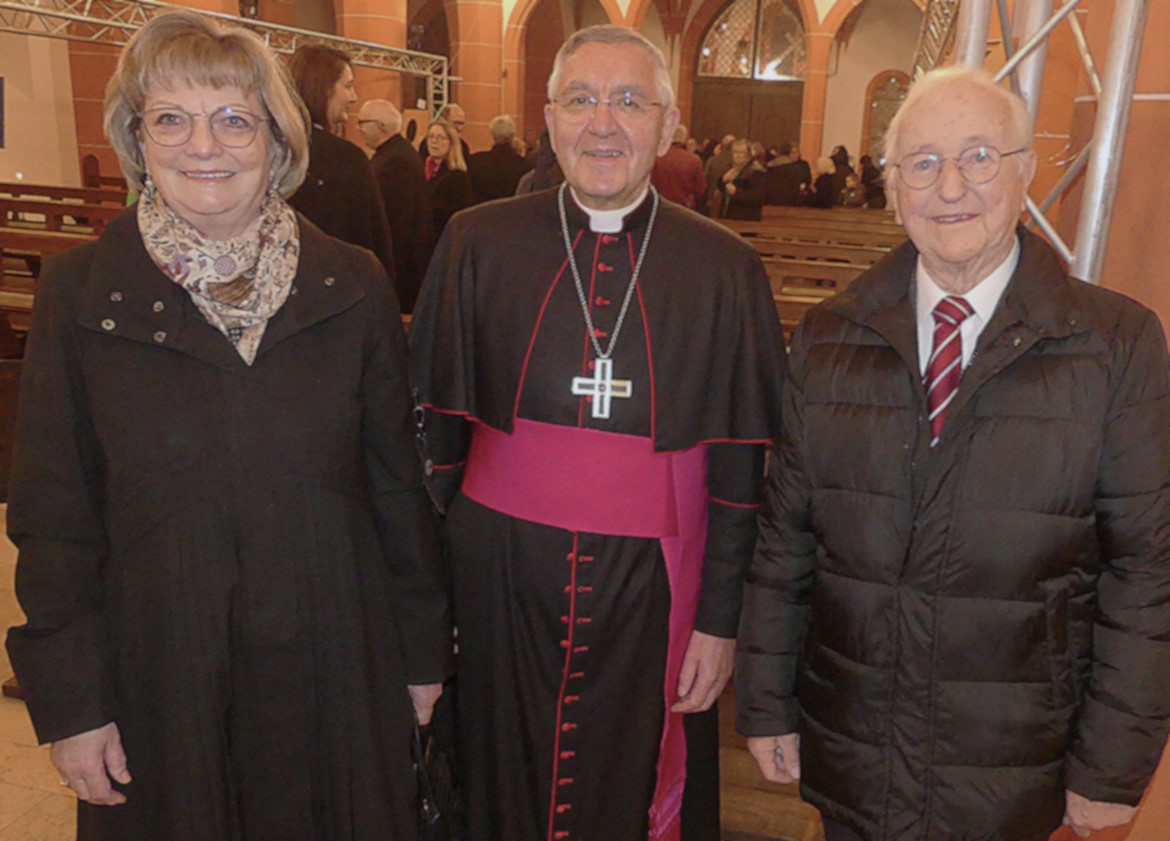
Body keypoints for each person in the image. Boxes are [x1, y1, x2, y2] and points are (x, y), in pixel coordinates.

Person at [4, 10, 451, 841]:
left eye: (233, 118)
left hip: (334, 654)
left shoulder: (351, 284)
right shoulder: (80, 295)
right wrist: (72, 704)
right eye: (169, 118)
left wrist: (421, 653)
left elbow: (398, 488)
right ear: (138, 139)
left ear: (276, 143)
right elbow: (53, 517)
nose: (200, 144)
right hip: (161, 664)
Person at [736, 66, 1170, 841]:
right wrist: (767, 701)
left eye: (978, 156)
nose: (950, 188)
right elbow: (784, 541)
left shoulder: (1115, 345)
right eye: (924, 163)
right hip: (856, 747)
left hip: (1011, 761)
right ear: (894, 188)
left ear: (1023, 171)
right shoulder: (832, 337)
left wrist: (1111, 765)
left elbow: (1147, 575)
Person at [410, 24, 785, 841]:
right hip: (496, 580)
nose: (603, 123)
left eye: (628, 101)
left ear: (668, 122)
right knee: (492, 781)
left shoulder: (724, 268)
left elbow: (738, 469)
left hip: (649, 592)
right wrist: (426, 615)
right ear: (547, 118)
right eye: (581, 99)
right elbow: (431, 444)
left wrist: (718, 621)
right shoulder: (477, 242)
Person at [287, 44, 395, 281]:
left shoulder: (268, 149)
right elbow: (371, 243)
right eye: (347, 86)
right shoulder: (346, 158)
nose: (353, 97)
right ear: (323, 89)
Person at [357, 99, 436, 314]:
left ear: (380, 126)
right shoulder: (395, 153)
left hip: (401, 267)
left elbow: (395, 222)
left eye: (362, 122)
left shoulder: (394, 161)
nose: (359, 129)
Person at [423, 118, 476, 233]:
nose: (434, 141)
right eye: (430, 136)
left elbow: (460, 215)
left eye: (440, 137)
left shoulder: (457, 176)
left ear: (451, 143)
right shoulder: (424, 170)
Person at [467, 114, 531, 203]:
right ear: (513, 136)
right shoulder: (525, 165)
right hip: (512, 214)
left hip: (482, 213)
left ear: (492, 134)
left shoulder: (475, 161)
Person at [651, 123, 706, 209]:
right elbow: (701, 190)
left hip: (658, 207)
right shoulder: (694, 160)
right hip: (683, 209)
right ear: (684, 138)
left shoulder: (656, 157)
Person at [719, 138, 766, 221]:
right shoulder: (731, 168)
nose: (737, 155)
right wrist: (723, 179)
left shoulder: (755, 171)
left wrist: (736, 192)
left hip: (746, 216)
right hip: (730, 214)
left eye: (741, 152)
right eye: (735, 152)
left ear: (748, 154)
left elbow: (756, 196)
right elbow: (721, 188)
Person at [765, 140, 812, 206]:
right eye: (793, 153)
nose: (796, 155)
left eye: (797, 152)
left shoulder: (803, 165)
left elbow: (808, 179)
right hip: (784, 199)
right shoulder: (788, 167)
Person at [701, 134, 735, 216]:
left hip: (711, 199)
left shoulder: (712, 160)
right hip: (730, 202)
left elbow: (705, 178)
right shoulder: (736, 162)